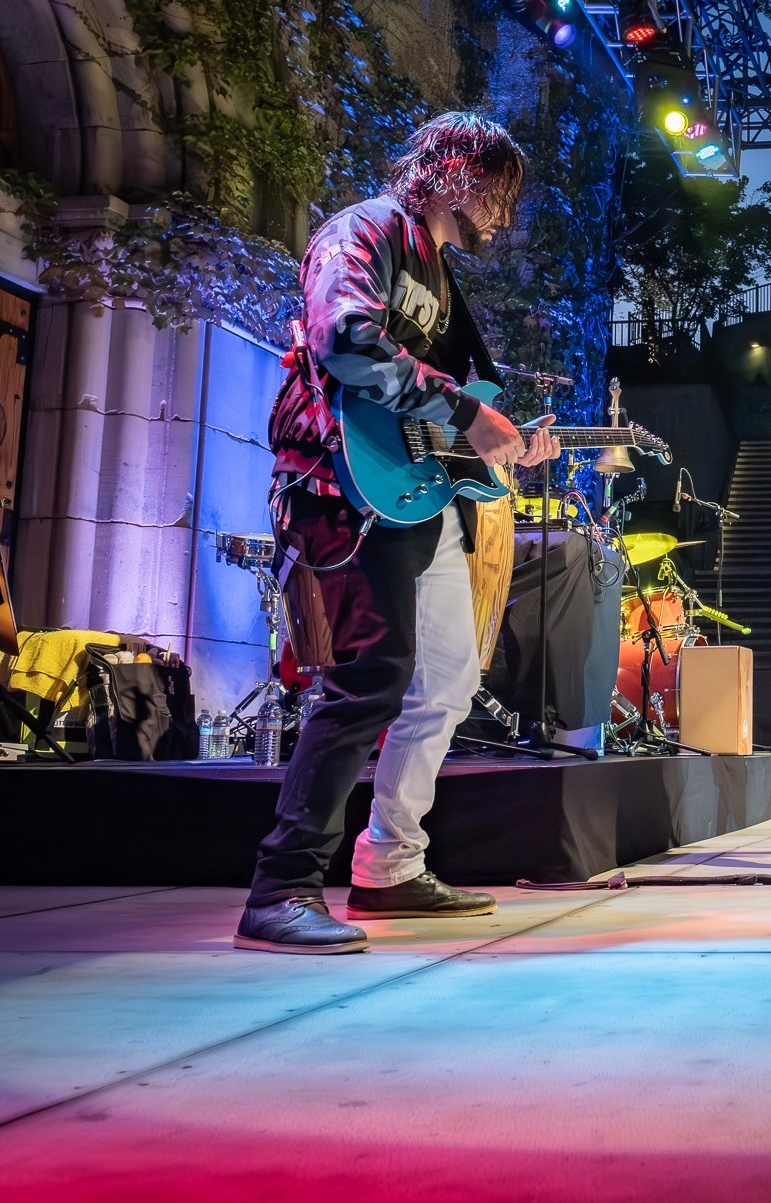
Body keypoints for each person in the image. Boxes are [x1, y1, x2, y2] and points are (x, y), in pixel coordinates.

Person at [237, 112, 561, 955]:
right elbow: (346, 339)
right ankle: (281, 887)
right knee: (369, 680)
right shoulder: (366, 230)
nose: (502, 211)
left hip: (419, 496)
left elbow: (470, 398)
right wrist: (464, 411)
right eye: (496, 190)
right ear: (455, 173)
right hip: (340, 480)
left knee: (450, 682)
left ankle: (388, 863)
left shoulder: (441, 277)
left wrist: (513, 435)